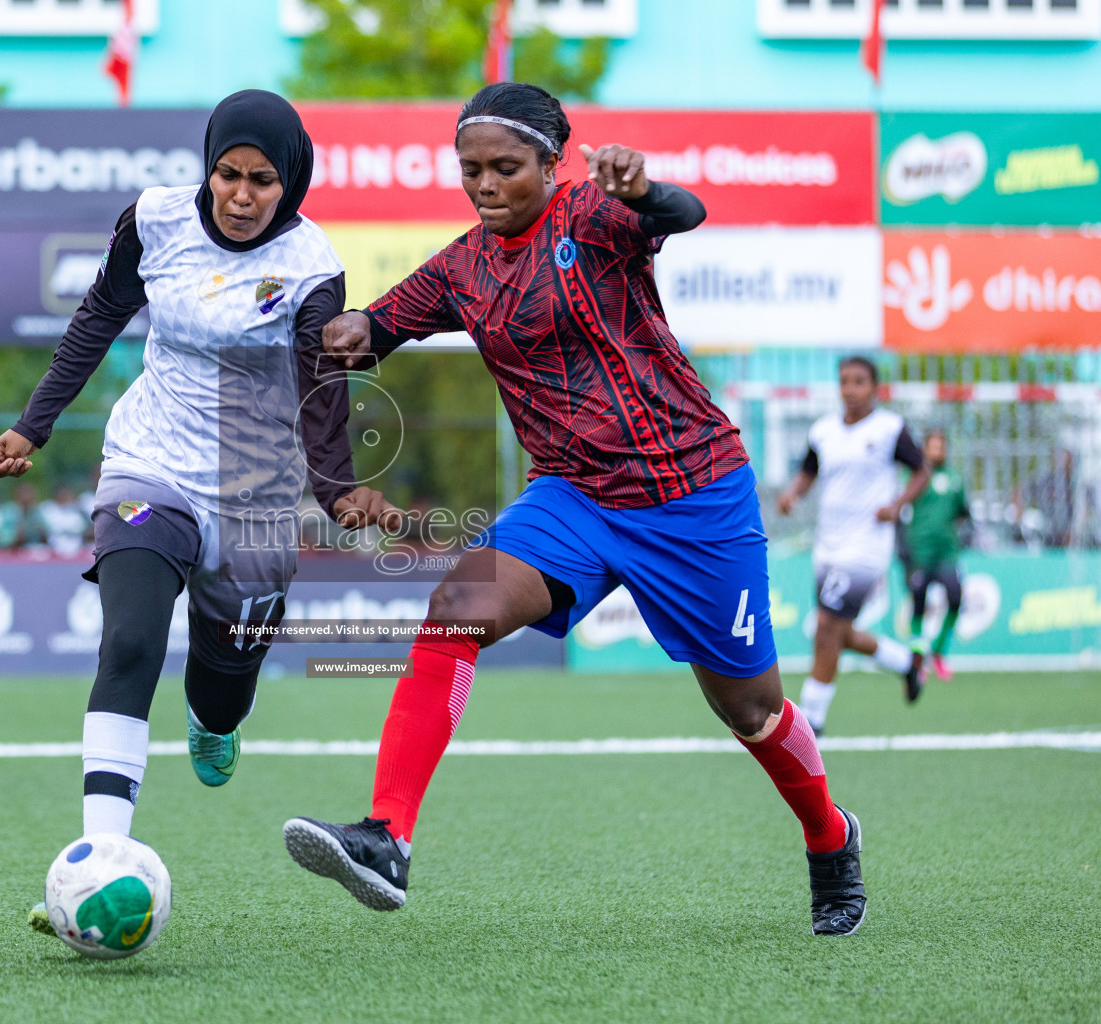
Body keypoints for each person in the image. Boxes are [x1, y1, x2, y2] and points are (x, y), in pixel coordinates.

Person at [281, 83, 866, 937]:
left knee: (751, 710)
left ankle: (829, 835)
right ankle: (385, 838)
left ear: (554, 164)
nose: (485, 184)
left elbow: (684, 209)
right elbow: (377, 326)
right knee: (454, 608)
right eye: (470, 169)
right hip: (573, 497)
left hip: (693, 495)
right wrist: (344, 327)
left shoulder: (596, 215)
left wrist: (642, 191)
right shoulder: (462, 265)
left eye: (506, 168)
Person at [0, 91, 399, 932]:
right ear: (207, 166)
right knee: (131, 637)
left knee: (224, 680)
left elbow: (322, 383)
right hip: (151, 466)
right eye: (227, 175)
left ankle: (216, 718)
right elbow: (100, 314)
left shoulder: (313, 262)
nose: (240, 196)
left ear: (292, 184)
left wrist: (337, 486)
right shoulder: (155, 220)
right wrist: (34, 424)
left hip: (253, 493)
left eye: (261, 182)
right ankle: (99, 859)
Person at [775, 356, 931, 733]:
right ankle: (906, 664)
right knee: (838, 632)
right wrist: (792, 494)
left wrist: (897, 505)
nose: (850, 389)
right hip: (828, 544)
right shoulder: (823, 430)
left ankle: (813, 718)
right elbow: (808, 473)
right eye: (844, 381)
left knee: (827, 626)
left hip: (865, 547)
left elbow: (922, 470)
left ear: (874, 388)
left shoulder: (890, 428)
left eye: (859, 382)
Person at [901, 429, 969, 681]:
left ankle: (939, 652)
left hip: (946, 552)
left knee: (955, 598)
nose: (937, 450)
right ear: (924, 449)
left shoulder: (955, 479)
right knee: (919, 602)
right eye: (933, 446)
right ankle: (918, 659)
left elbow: (963, 511)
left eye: (941, 446)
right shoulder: (914, 477)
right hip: (919, 551)